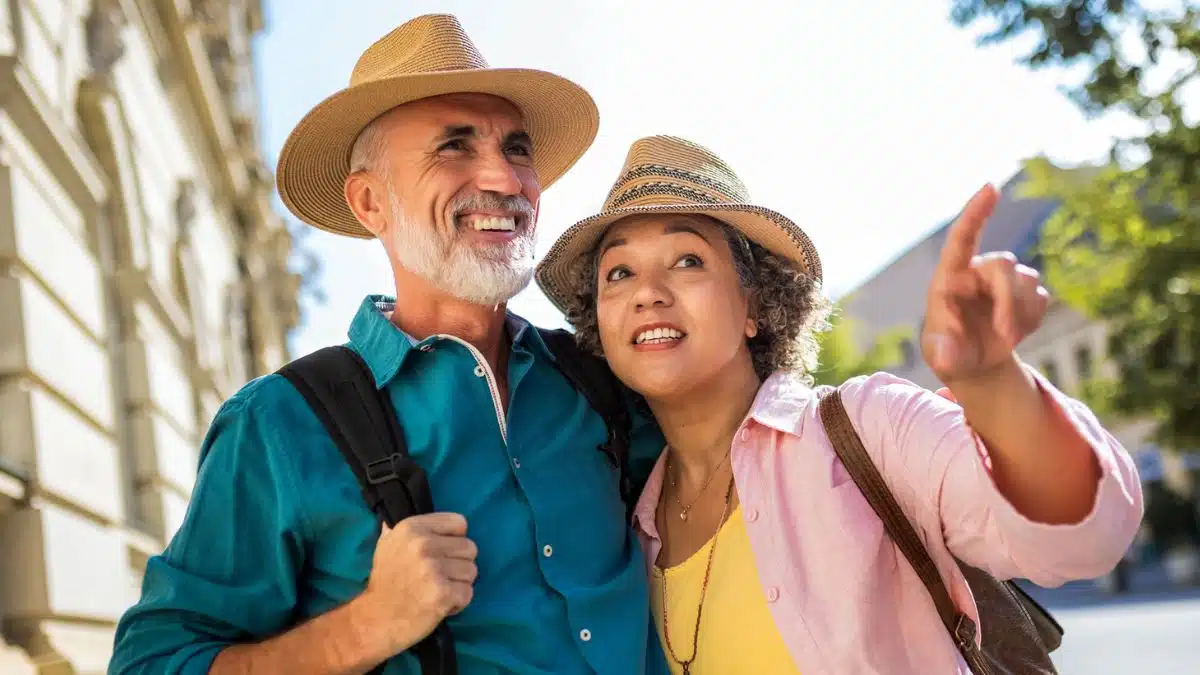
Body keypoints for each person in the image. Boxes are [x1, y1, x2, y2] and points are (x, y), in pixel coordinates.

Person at [109, 15, 666, 675]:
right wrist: (366, 626)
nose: (504, 178)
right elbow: (151, 664)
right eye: (454, 147)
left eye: (517, 149)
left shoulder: (602, 381)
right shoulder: (277, 425)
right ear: (371, 202)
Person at [535, 135, 1145, 674]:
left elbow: (1085, 538)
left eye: (688, 260)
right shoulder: (628, 522)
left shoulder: (866, 426)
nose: (647, 293)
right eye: (619, 273)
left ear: (755, 305)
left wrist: (991, 381)